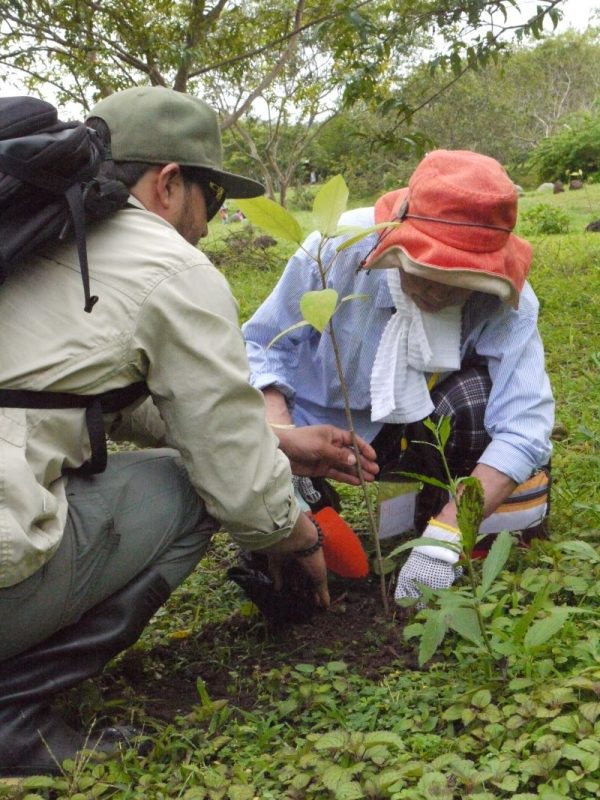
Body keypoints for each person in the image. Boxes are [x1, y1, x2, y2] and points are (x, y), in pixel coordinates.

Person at [0, 86, 378, 777]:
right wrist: (300, 535)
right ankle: (9, 712)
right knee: (190, 489)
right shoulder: (166, 263)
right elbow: (233, 477)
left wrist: (283, 443)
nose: (209, 226)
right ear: (170, 183)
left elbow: (84, 392)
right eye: (215, 200)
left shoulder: (38, 231)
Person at [243, 149, 554, 601]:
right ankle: (303, 497)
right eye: (426, 271)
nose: (436, 291)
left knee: (474, 401)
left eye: (459, 281)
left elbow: (525, 427)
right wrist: (279, 434)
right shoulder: (337, 249)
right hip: (312, 430)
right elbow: (263, 344)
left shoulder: (510, 302)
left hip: (416, 425)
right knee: (298, 571)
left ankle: (435, 520)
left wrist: (446, 537)